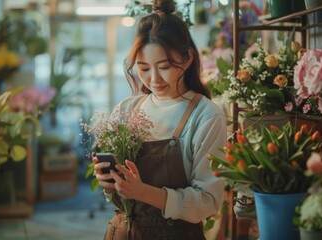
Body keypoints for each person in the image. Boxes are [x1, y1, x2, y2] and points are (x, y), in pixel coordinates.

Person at [92, 0, 227, 239]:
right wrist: (109, 182)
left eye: (164, 67)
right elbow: (116, 196)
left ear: (187, 59)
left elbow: (209, 201)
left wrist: (143, 192)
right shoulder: (126, 109)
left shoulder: (206, 116)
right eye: (143, 68)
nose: (154, 79)